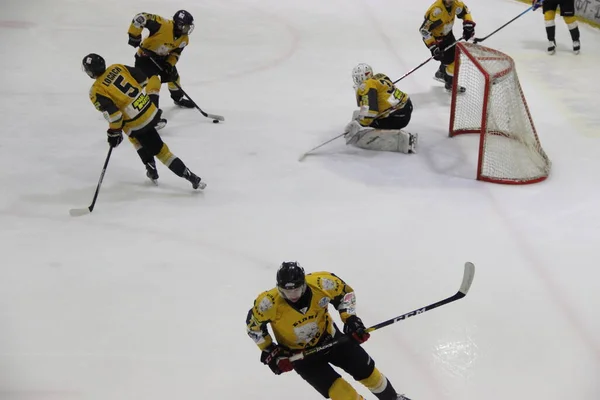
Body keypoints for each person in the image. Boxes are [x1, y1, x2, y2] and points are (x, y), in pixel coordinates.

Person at [246, 262, 412, 400]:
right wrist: (271, 351)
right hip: (302, 357)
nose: (293, 295)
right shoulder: (268, 303)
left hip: (332, 340)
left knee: (368, 373)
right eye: (287, 292)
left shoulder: (322, 283)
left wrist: (351, 320)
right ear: (279, 289)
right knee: (342, 394)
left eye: (296, 290)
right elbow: (253, 328)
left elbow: (345, 294)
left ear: (303, 283)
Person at [82, 53, 206, 189]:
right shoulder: (116, 67)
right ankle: (151, 168)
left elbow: (115, 116)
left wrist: (114, 133)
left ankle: (191, 177)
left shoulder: (96, 90)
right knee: (133, 135)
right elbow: (142, 78)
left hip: (137, 123)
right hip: (151, 110)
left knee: (161, 152)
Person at [127, 10, 196, 111]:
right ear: (179, 24)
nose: (188, 29)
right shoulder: (163, 25)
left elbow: (175, 53)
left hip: (162, 58)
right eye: (186, 26)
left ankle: (178, 99)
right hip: (145, 57)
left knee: (174, 77)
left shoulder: (184, 39)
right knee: (154, 82)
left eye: (189, 27)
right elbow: (140, 17)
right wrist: (134, 35)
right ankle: (152, 111)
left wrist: (169, 64)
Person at [343, 64, 417, 154]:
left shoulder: (366, 85)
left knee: (363, 135)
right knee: (358, 114)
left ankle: (404, 141)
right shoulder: (380, 77)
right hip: (405, 107)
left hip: (397, 116)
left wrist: (360, 124)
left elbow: (370, 112)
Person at [419, 0, 476, 91]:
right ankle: (450, 84)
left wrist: (468, 25)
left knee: (452, 57)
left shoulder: (456, 4)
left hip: (448, 35)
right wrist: (433, 47)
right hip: (438, 40)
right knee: (455, 61)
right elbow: (424, 30)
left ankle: (441, 73)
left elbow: (465, 12)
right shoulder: (437, 11)